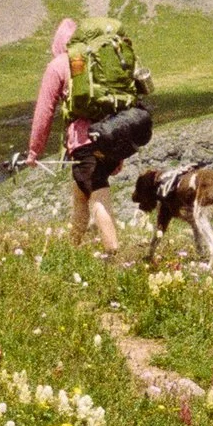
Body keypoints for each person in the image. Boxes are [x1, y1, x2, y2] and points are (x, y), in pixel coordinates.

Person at [26, 15, 153, 259]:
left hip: (84, 144)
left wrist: (34, 152)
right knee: (80, 193)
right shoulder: (100, 62)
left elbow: (44, 112)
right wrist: (117, 153)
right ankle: (73, 249)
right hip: (112, 137)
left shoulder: (60, 65)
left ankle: (114, 254)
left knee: (97, 194)